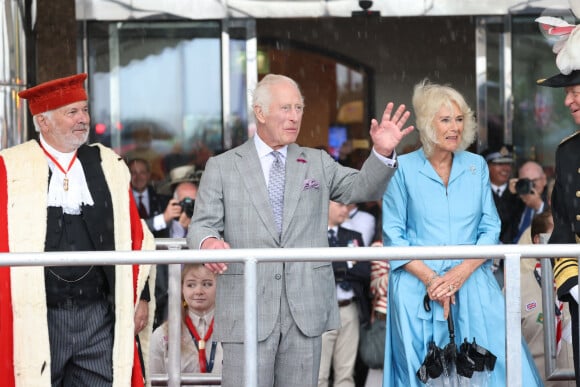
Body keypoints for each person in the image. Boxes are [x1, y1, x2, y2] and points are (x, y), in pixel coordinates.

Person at [187, 73, 414, 387]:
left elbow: (361, 188)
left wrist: (382, 154)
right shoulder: (223, 166)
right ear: (260, 112)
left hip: (305, 309)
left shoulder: (317, 161)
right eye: (285, 108)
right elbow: (201, 224)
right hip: (247, 307)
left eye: (298, 108)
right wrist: (209, 242)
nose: (294, 116)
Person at [381, 79, 542, 386]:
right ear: (428, 124)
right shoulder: (401, 168)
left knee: (497, 368)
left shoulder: (476, 166)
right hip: (418, 289)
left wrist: (461, 272)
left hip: (473, 282)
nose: (454, 127)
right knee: (426, 374)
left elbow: (490, 226)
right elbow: (393, 237)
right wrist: (433, 281)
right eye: (445, 120)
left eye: (459, 119)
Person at [0, 73, 156, 387]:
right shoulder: (10, 167)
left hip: (98, 315)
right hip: (38, 316)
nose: (82, 119)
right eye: (72, 112)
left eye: (84, 110)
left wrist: (143, 298)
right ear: (43, 121)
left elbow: (136, 235)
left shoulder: (108, 163)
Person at [537, 17, 580, 385]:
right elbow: (563, 222)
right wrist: (573, 282)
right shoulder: (568, 153)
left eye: (574, 90)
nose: (567, 100)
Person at [519, 211, 575, 387]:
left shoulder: (577, 284)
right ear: (538, 240)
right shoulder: (516, 289)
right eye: (558, 232)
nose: (566, 238)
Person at [318, 201, 370, 387]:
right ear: (326, 203)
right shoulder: (312, 236)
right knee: (318, 374)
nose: (345, 209)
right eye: (340, 204)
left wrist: (336, 265)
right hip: (320, 309)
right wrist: (348, 262)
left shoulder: (353, 236)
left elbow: (365, 271)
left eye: (347, 205)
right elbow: (316, 270)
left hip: (349, 307)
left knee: (346, 374)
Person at [149, 263, 223, 380]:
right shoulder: (161, 335)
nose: (199, 291)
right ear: (181, 288)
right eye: (191, 285)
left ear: (220, 286)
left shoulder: (235, 331)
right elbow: (153, 381)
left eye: (207, 284)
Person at [154, 165, 202, 327]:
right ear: (174, 202)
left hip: (199, 298)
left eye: (193, 202)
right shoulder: (162, 230)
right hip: (165, 299)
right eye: (185, 202)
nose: (189, 207)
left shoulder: (207, 229)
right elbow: (136, 232)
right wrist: (165, 218)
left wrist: (193, 229)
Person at [481, 144, 525, 286]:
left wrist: (514, 196)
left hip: (516, 261)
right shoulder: (480, 192)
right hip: (486, 262)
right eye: (499, 164)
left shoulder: (519, 194)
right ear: (488, 166)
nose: (505, 168)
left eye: (508, 164)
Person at [129, 158, 180, 238]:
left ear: (149, 175)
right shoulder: (122, 201)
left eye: (142, 172)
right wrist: (163, 218)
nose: (138, 177)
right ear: (128, 175)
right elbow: (130, 229)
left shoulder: (164, 200)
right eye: (133, 173)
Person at [364, 242, 389, 387]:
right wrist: (402, 267)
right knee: (377, 363)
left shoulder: (414, 242)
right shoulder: (379, 248)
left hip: (406, 316)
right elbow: (375, 288)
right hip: (383, 317)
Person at [510, 160, 549, 243]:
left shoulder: (552, 199)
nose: (530, 186)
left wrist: (539, 206)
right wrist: (509, 194)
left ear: (544, 180)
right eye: (526, 182)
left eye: (534, 181)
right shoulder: (515, 202)